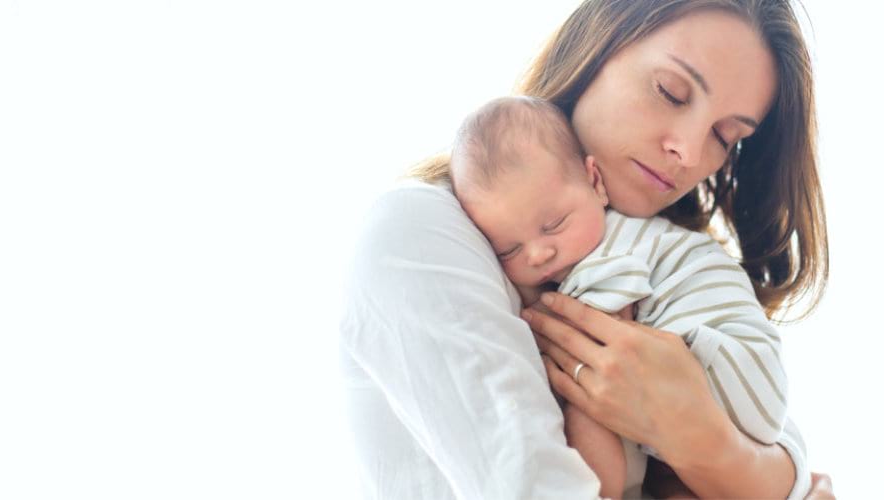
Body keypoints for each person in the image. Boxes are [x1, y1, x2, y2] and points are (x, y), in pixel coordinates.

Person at [340, 1, 832, 498]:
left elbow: (781, 446)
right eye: (670, 91)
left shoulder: (670, 267)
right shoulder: (420, 232)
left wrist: (699, 438)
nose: (687, 149)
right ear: (595, 48)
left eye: (725, 137)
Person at [445, 95, 797, 499]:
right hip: (752, 393)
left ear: (595, 183)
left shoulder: (610, 255)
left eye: (554, 224)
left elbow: (595, 380)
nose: (539, 253)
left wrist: (598, 486)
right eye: (508, 250)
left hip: (729, 367)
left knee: (587, 384)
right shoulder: (627, 236)